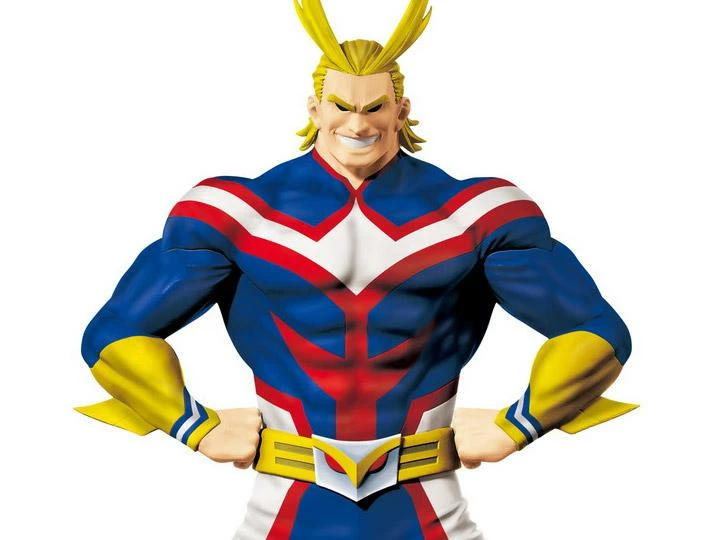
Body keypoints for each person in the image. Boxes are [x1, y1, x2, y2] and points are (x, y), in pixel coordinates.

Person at [77, 1, 635, 538]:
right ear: (314, 109)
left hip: (430, 507)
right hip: (282, 507)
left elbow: (597, 332)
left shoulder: (476, 214)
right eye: (342, 106)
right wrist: (192, 425)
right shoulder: (236, 213)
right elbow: (113, 335)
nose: (358, 123)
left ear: (402, 110)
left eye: (374, 108)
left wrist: (520, 424)